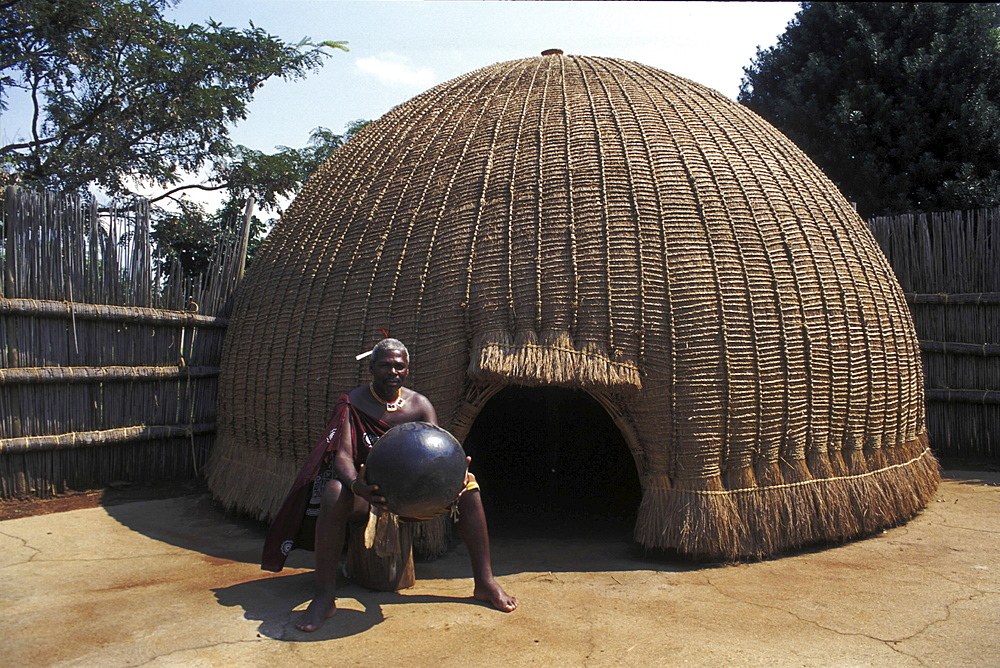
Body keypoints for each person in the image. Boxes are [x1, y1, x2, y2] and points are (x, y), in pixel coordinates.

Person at [262, 338, 517, 632]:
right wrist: (358, 487)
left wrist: (455, 473)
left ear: (407, 370)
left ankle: (484, 582)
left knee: (469, 488)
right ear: (371, 367)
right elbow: (342, 455)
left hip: (417, 498)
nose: (392, 371)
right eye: (385, 365)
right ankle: (324, 595)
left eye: (399, 366)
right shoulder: (352, 403)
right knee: (334, 491)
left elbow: (440, 453)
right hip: (371, 494)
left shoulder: (420, 405)